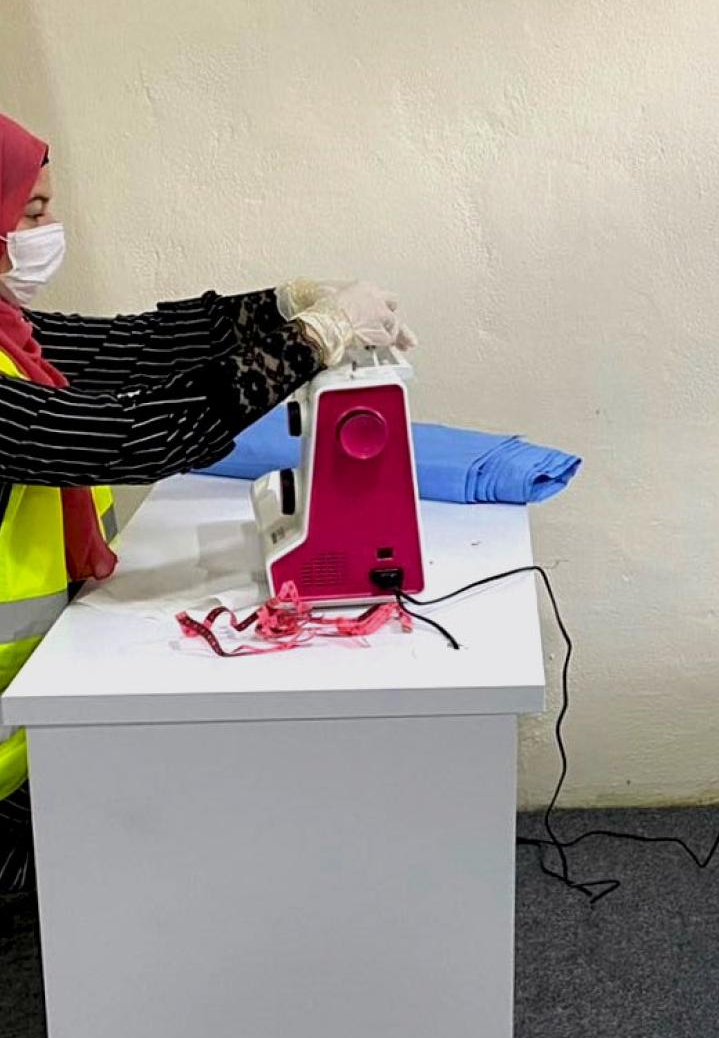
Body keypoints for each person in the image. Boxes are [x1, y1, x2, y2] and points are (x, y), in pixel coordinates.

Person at [0, 111, 415, 890]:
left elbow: (131, 348)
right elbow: (139, 435)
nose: (50, 228)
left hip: (28, 708)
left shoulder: (9, 333)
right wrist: (311, 342)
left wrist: (284, 306)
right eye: (32, 211)